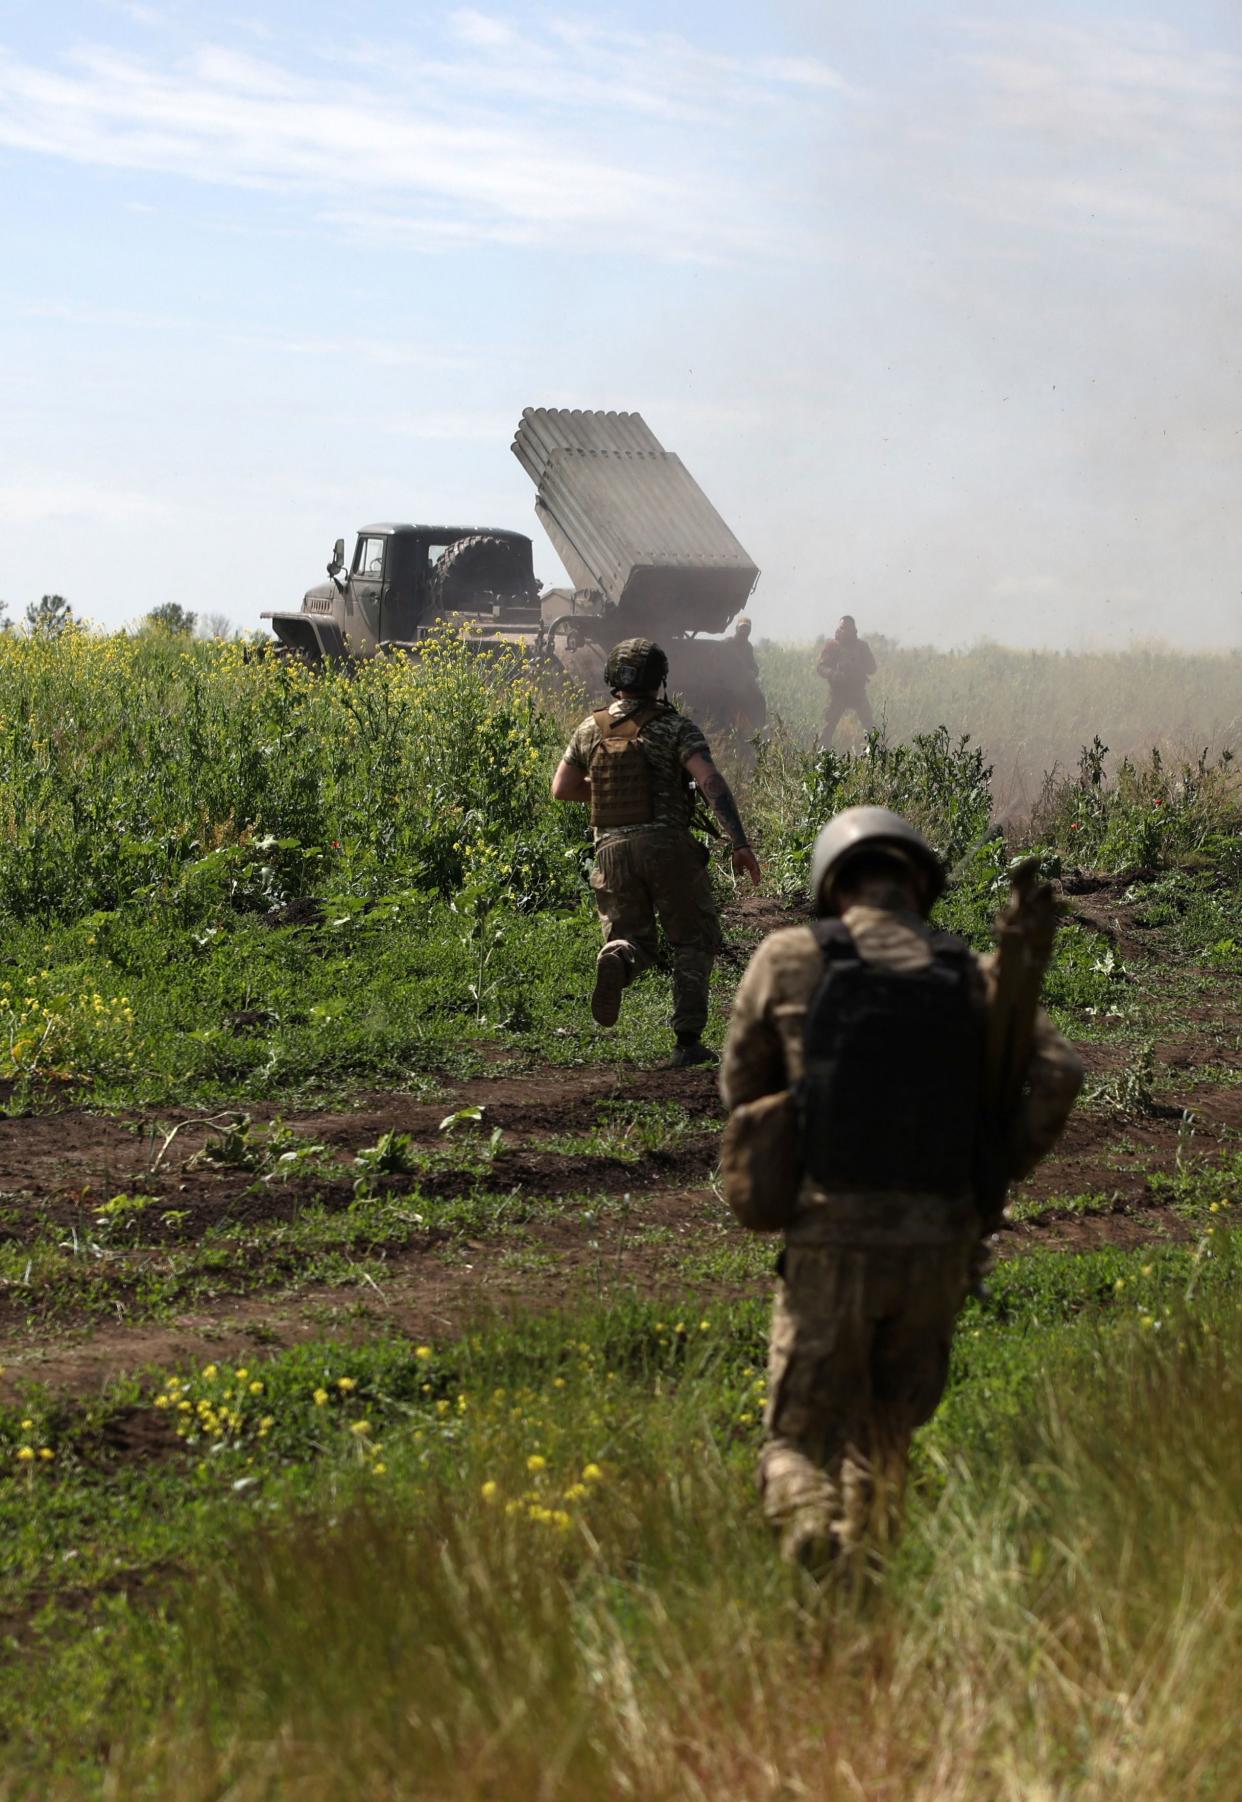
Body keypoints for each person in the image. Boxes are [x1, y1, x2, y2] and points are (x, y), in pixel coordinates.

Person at [720, 807, 1082, 1579]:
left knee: (794, 1443)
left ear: (831, 884)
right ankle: (866, 1592)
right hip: (939, 1244)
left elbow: (739, 1088)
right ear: (920, 884)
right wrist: (997, 1161)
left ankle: (813, 1531)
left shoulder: (786, 959)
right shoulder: (977, 976)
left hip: (830, 1240)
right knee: (884, 1435)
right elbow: (1058, 1074)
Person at [552, 637, 761, 1068]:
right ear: (659, 680)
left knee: (635, 938)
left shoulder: (590, 729)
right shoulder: (676, 727)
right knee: (692, 940)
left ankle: (619, 958)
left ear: (613, 678)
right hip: (668, 848)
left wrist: (614, 791)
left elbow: (563, 789)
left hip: (609, 850)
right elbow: (710, 781)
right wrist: (739, 842)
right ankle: (687, 1042)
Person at [817, 615, 876, 745]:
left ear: (853, 630)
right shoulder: (832, 646)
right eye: (841, 628)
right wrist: (833, 674)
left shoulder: (862, 646)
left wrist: (858, 668)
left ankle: (875, 754)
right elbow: (821, 667)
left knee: (870, 726)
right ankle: (822, 756)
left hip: (857, 692)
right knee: (828, 726)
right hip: (838, 693)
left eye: (846, 628)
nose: (843, 631)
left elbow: (872, 667)